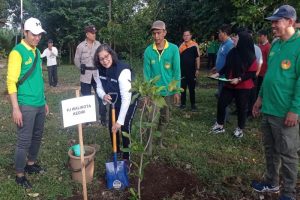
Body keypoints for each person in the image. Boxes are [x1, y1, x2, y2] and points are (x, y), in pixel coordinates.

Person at [251, 5, 300, 200]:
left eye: (276, 21)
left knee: (288, 155)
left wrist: (295, 110)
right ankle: (271, 182)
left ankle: (288, 193)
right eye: (272, 22)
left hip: (285, 111)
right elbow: (270, 74)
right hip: (269, 108)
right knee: (270, 150)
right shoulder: (276, 44)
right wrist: (259, 98)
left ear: (289, 21)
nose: (273, 25)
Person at [6, 17, 49, 189]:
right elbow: (11, 82)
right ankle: (19, 174)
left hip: (39, 103)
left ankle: (30, 164)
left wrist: (44, 101)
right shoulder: (17, 52)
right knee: (24, 140)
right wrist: (15, 108)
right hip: (25, 104)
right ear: (25, 33)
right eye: (34, 34)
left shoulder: (37, 52)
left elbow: (39, 78)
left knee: (37, 136)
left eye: (39, 35)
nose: (37, 38)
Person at [211, 30, 257, 138]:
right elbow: (227, 66)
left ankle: (240, 129)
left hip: (243, 86)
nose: (233, 39)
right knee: (221, 103)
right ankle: (220, 125)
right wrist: (218, 73)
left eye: (236, 38)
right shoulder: (232, 52)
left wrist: (240, 79)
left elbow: (252, 73)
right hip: (230, 84)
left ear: (243, 41)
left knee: (241, 108)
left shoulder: (250, 56)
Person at [94, 44, 137, 161]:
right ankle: (116, 151)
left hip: (130, 99)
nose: (105, 61)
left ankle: (126, 157)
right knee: (111, 127)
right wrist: (103, 95)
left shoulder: (122, 70)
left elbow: (126, 99)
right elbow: (98, 87)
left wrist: (119, 121)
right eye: (101, 59)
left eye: (106, 56)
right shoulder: (99, 70)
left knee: (124, 127)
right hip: (114, 99)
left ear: (111, 54)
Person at [143, 20, 181, 147]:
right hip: (154, 92)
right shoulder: (149, 51)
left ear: (165, 32)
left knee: (165, 118)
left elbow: (176, 71)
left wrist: (176, 91)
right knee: (150, 119)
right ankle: (148, 145)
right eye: (154, 33)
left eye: (159, 33)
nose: (156, 36)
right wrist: (147, 93)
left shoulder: (173, 49)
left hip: (169, 92)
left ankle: (159, 142)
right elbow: (147, 75)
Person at [74, 25, 107, 126]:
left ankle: (103, 118)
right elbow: (76, 60)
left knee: (101, 96)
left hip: (97, 74)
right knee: (86, 98)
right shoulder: (80, 46)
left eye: (95, 33)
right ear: (87, 34)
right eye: (92, 33)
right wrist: (81, 68)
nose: (94, 34)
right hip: (86, 76)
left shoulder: (98, 45)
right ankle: (87, 120)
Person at [178, 30, 200, 111]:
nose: (186, 37)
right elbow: (177, 58)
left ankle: (193, 105)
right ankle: (183, 104)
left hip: (192, 71)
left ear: (191, 36)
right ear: (183, 37)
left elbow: (197, 58)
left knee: (192, 88)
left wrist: (197, 69)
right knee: (182, 88)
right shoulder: (181, 46)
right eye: (184, 35)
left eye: (188, 35)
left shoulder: (194, 45)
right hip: (182, 71)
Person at [256, 30, 271, 98]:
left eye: (260, 36)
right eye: (258, 36)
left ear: (265, 36)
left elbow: (269, 61)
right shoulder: (259, 45)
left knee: (261, 91)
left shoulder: (269, 47)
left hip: (263, 74)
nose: (259, 37)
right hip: (257, 73)